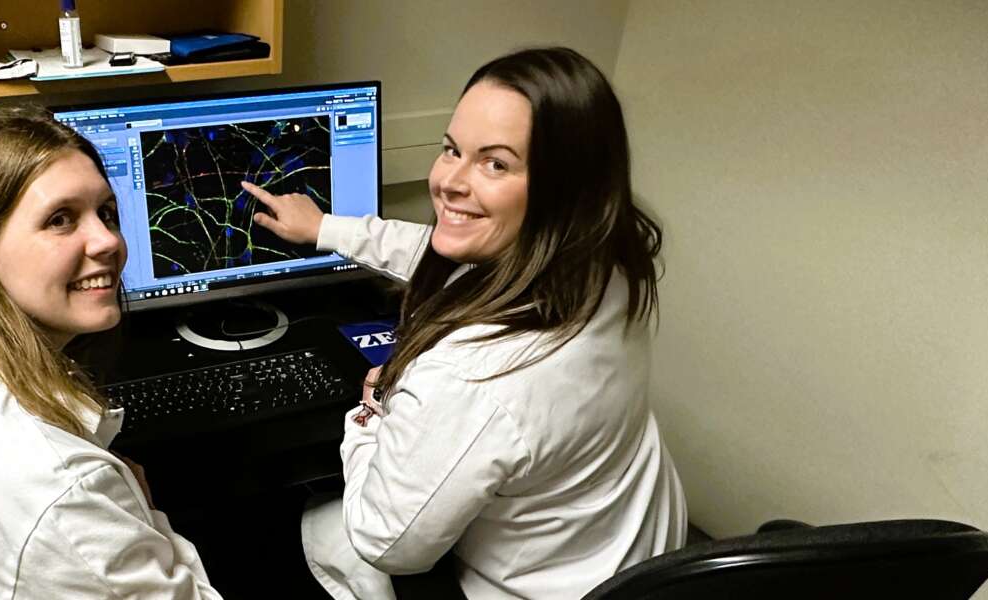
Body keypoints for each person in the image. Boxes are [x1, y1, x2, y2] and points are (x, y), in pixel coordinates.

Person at [247, 47, 686, 599]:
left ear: (563, 188)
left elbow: (387, 545)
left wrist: (371, 416)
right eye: (452, 149)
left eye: (495, 163)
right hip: (629, 558)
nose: (449, 181)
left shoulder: (470, 379)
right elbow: (445, 256)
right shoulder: (606, 262)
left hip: (535, 588)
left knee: (310, 526)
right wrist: (326, 228)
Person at [0, 107, 222, 599]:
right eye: (60, 220)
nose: (108, 240)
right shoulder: (68, 493)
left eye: (106, 212)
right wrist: (142, 513)